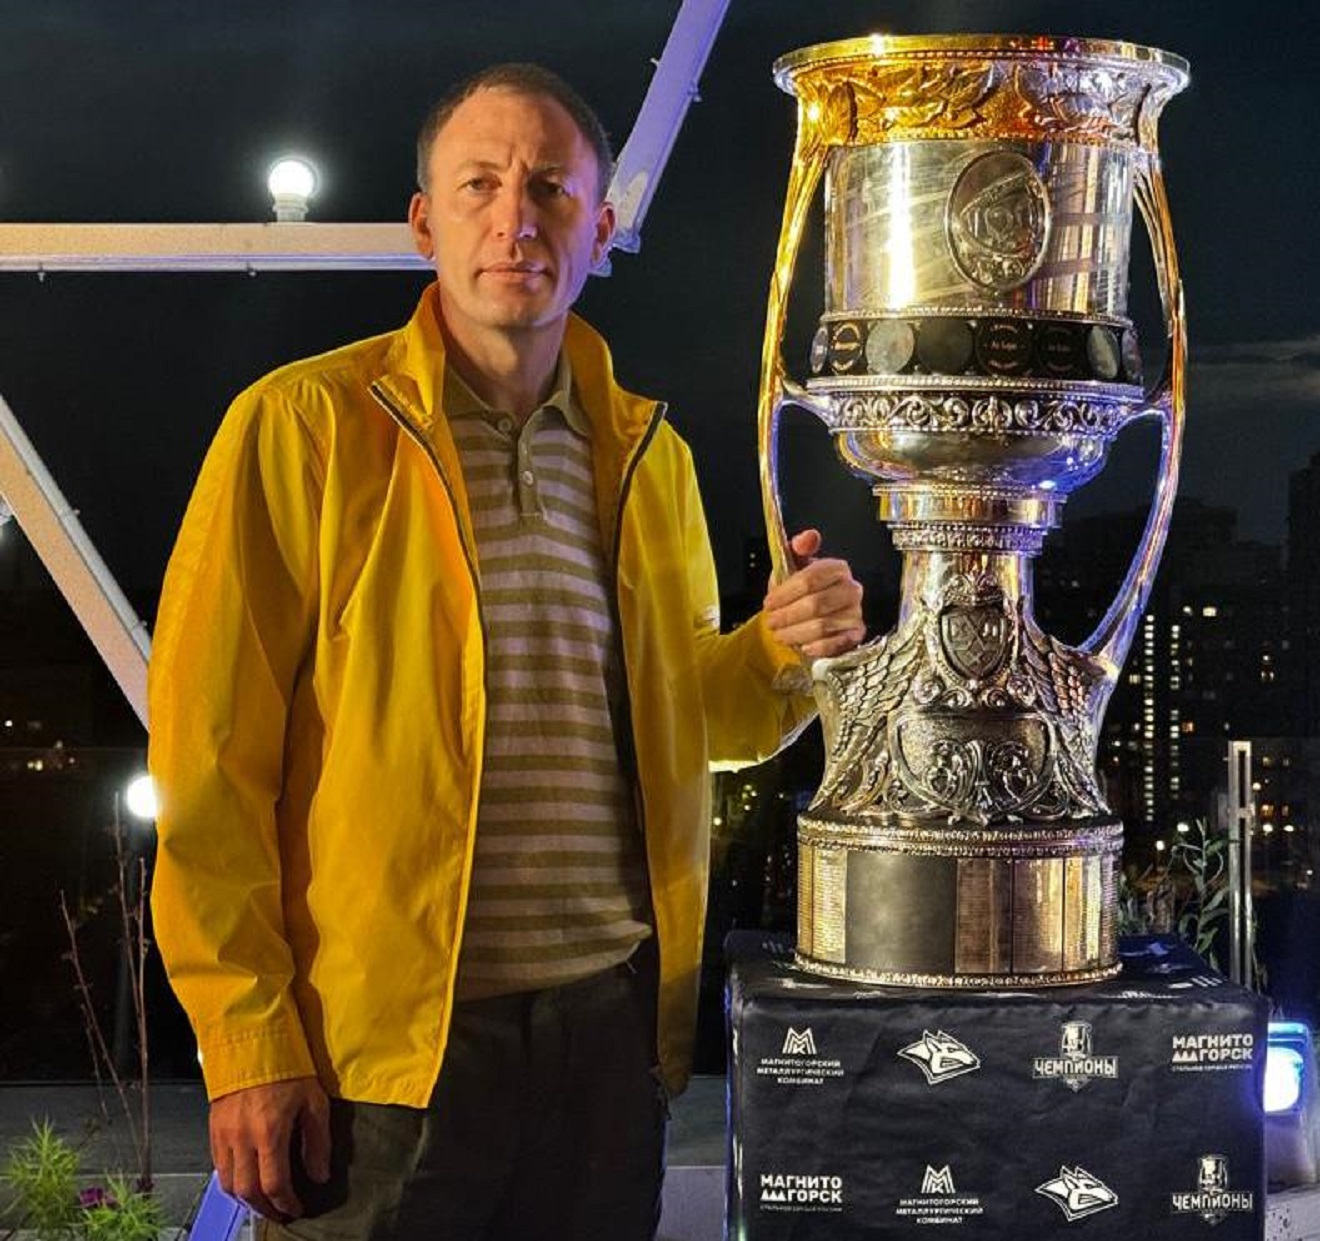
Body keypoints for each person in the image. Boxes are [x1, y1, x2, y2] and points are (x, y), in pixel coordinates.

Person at [148, 62, 865, 1241]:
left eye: (548, 188)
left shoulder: (649, 456)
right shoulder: (305, 425)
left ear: (601, 226)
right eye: (478, 184)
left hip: (604, 1039)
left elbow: (694, 721)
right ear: (423, 222)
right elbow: (210, 764)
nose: (514, 220)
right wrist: (248, 1040)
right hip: (383, 1060)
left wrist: (779, 650)